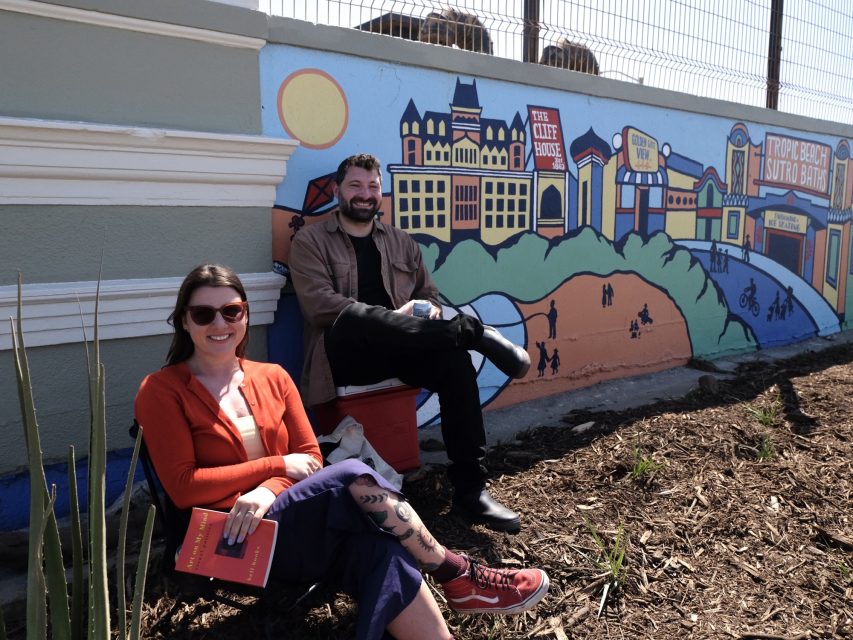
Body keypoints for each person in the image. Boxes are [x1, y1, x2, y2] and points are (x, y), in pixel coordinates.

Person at [134, 264, 549, 640]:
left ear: (245, 314)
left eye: (232, 310)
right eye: (203, 314)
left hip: (289, 522)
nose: (219, 323)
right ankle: (456, 573)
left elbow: (310, 458)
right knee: (350, 474)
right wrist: (278, 466)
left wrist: (266, 490)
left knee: (380, 552)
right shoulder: (162, 390)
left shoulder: (273, 377)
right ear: (184, 322)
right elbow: (185, 488)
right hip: (225, 540)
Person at [288, 153, 531, 533]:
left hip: (402, 347)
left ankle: (471, 491)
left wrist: (423, 312)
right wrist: (394, 318)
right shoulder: (311, 240)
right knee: (354, 319)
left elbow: (429, 295)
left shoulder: (401, 242)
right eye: (355, 186)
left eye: (373, 187)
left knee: (455, 365)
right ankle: (476, 333)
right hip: (345, 352)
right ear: (337, 191)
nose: (365, 194)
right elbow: (320, 306)